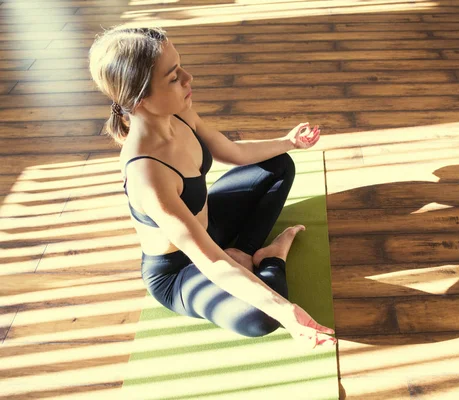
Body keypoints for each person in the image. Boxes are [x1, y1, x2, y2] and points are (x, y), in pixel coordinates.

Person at [88, 26, 336, 348]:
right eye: (174, 77)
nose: (189, 78)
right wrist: (288, 313)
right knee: (261, 317)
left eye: (181, 67)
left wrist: (289, 142)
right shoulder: (146, 174)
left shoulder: (179, 113)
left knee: (279, 164)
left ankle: (246, 252)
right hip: (181, 267)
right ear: (141, 98)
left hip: (211, 225)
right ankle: (272, 257)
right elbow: (211, 262)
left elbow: (232, 152)